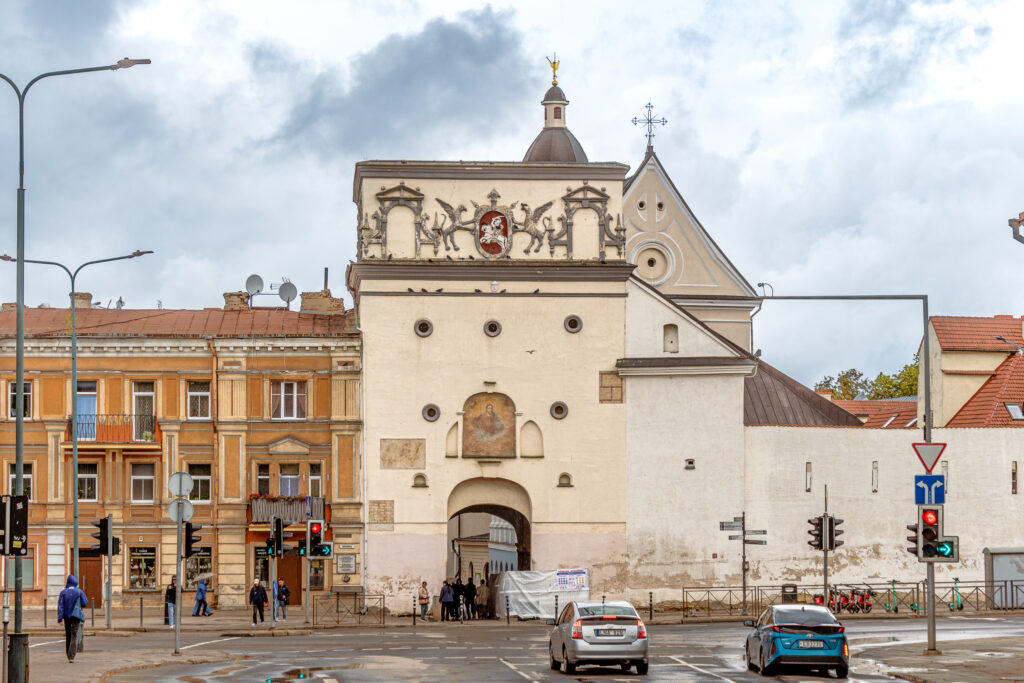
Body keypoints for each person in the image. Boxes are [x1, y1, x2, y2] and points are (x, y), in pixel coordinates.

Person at [56, 574, 88, 663]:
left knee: (68, 635)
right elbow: (85, 602)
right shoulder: (79, 592)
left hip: (66, 617)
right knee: (74, 634)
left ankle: (68, 654)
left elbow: (60, 607)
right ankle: (72, 656)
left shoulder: (63, 592)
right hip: (76, 616)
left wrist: (60, 619)